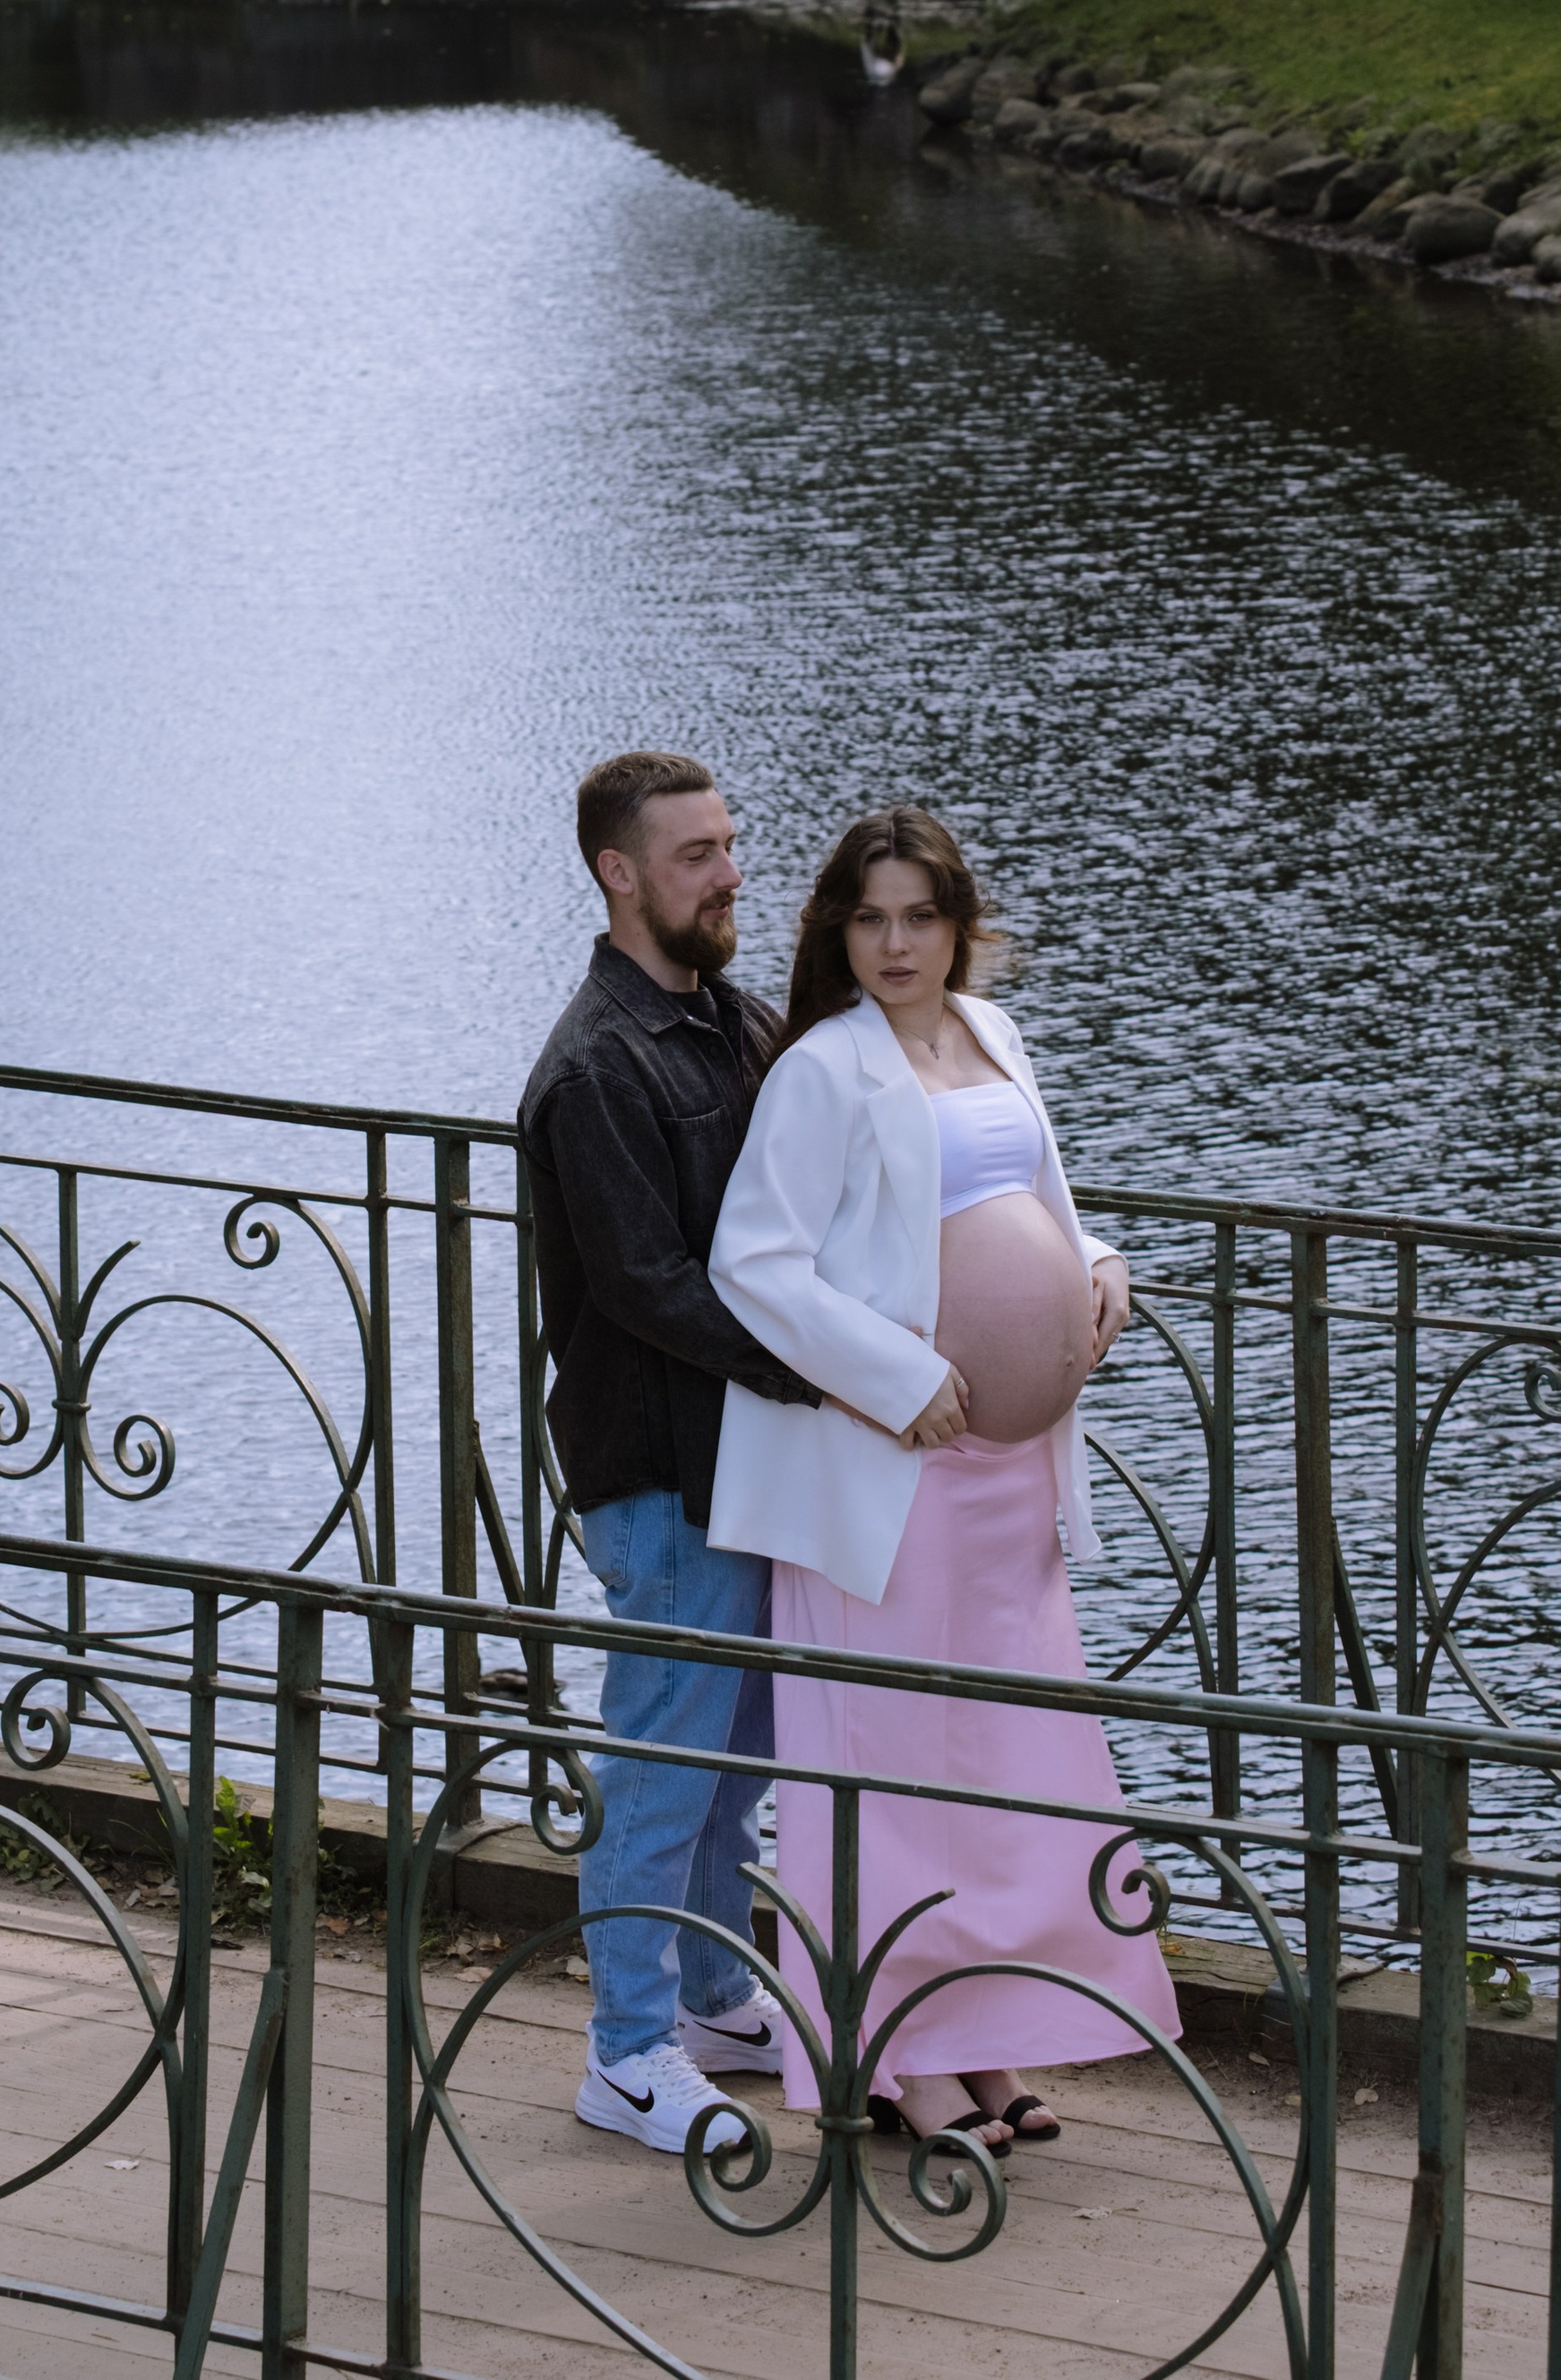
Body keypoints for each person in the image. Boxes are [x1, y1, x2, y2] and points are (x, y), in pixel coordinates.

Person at [706, 807, 1177, 2158]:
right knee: (886, 1759)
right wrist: (900, 1377)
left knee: (1002, 1759)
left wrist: (1098, 1265)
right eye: (870, 918)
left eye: (919, 916)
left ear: (960, 922)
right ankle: (894, 2057)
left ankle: (988, 2041)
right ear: (836, 932)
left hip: (1009, 1474)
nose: (896, 943)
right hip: (888, 1466)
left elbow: (1038, 1191)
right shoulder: (823, 1068)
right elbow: (758, 1265)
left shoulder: (991, 1034)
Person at [519, 753, 821, 2153]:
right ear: (619, 874)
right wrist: (832, 1367)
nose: (729, 873)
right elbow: (644, 1282)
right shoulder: (596, 1066)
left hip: (742, 1458)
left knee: (731, 1759)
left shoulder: (731, 1022)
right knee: (659, 1762)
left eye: (731, 844)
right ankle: (625, 2052)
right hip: (659, 1472)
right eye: (696, 854)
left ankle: (710, 2000)